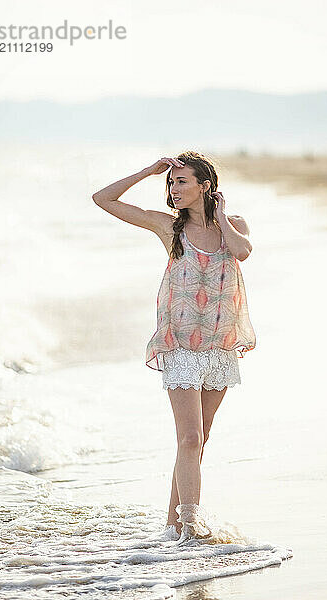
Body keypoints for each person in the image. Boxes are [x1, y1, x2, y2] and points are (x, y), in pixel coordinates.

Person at [92, 150, 256, 545]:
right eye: (171, 182)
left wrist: (219, 216)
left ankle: (173, 525)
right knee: (189, 439)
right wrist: (148, 171)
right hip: (180, 346)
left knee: (200, 439)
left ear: (205, 186)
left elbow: (242, 251)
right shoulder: (169, 228)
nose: (173, 188)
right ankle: (191, 528)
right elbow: (103, 199)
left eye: (182, 181)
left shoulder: (231, 225)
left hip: (219, 348)